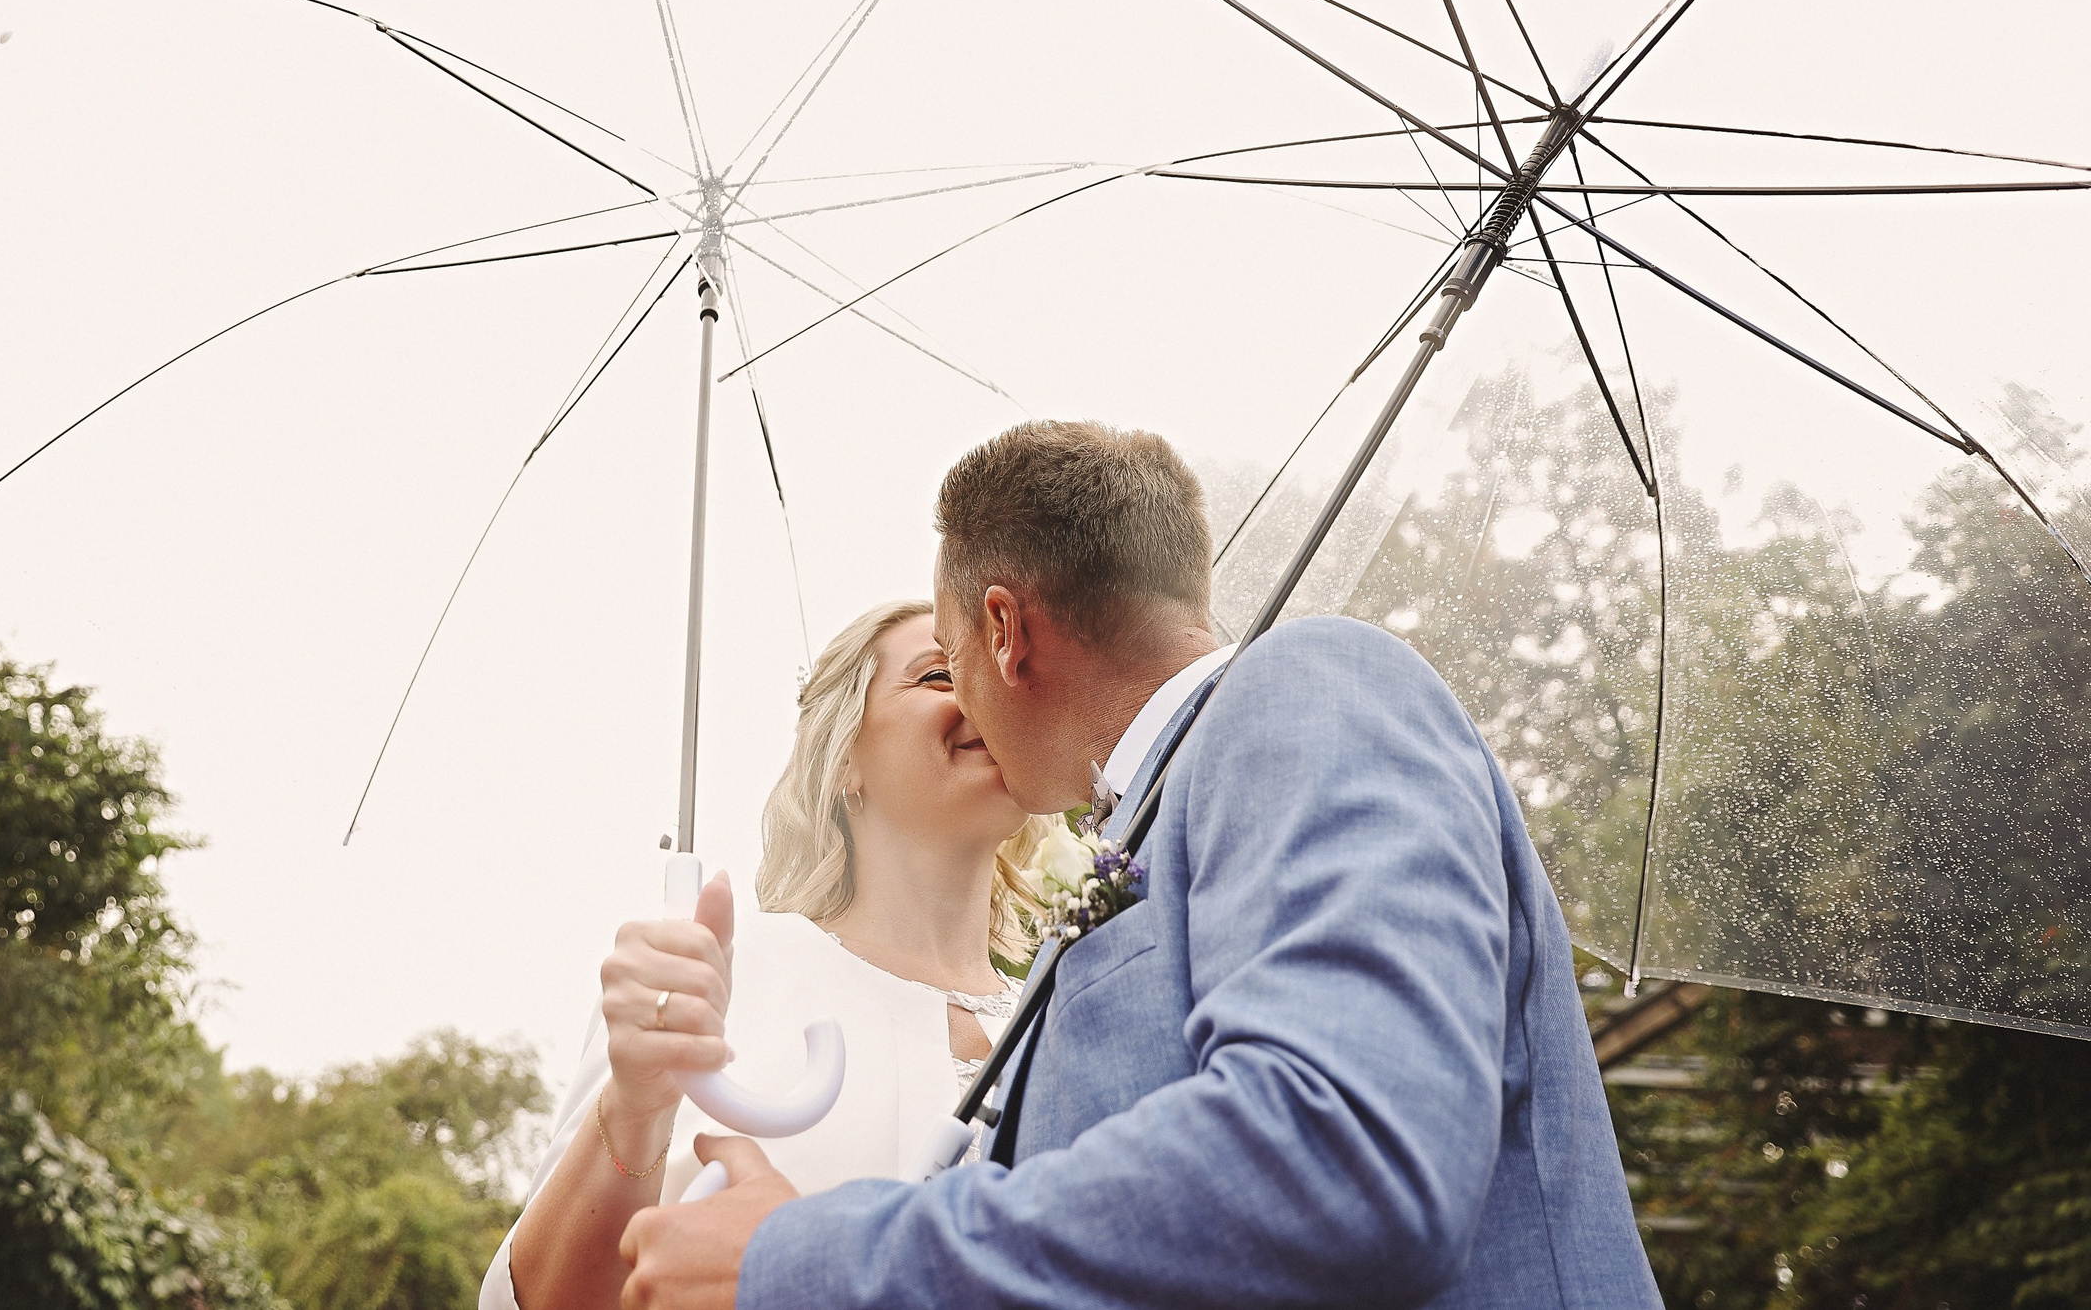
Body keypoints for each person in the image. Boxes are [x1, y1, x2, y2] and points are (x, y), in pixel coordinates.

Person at [618, 421, 1662, 1309]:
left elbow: (1341, 1152)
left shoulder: (1309, 686)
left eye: (948, 655)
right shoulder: (1145, 827)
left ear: (1002, 631)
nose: (961, 704)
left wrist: (808, 1264)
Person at [483, 600, 1061, 1310]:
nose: (984, 691)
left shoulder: (1068, 1009)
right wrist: (636, 1103)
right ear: (846, 755)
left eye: (1000, 675)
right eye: (941, 675)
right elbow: (544, 1299)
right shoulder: (718, 974)